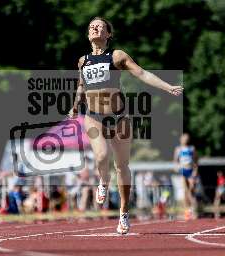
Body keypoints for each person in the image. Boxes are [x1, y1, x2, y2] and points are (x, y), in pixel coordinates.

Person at [68, 17, 183, 234]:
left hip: (119, 118)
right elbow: (81, 87)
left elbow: (141, 73)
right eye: (91, 25)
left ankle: (123, 212)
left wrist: (167, 87)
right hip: (93, 117)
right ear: (88, 34)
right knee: (101, 157)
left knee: (122, 166)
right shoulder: (82, 61)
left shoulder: (117, 56)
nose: (94, 27)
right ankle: (103, 180)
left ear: (108, 34)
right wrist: (75, 106)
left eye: (100, 26)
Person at [173, 133, 198, 219]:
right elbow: (175, 160)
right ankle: (187, 210)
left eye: (186, 138)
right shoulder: (178, 149)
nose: (185, 140)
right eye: (183, 138)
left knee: (192, 190)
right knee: (185, 191)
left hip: (191, 170)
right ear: (181, 139)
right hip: (183, 170)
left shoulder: (192, 148)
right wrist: (176, 167)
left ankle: (194, 209)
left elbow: (196, 161)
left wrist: (195, 171)